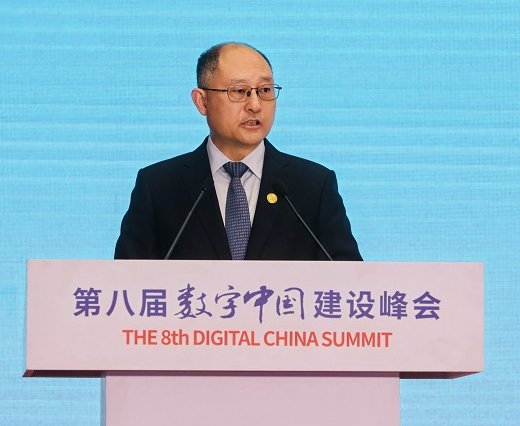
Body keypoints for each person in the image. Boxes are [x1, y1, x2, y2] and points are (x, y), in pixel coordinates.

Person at [114, 42, 362, 261]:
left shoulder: (313, 186)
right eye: (239, 91)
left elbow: (350, 282)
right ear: (202, 101)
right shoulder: (159, 187)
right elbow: (124, 283)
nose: (255, 105)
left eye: (265, 91)